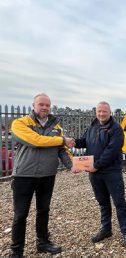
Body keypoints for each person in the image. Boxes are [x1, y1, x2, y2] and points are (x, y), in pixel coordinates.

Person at [10, 93, 74, 258]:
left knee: (43, 210)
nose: (44, 107)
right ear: (33, 105)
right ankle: (16, 251)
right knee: (20, 214)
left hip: (47, 175)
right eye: (41, 104)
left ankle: (42, 242)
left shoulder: (56, 128)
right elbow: (35, 140)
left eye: (47, 105)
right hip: (24, 176)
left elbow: (62, 150)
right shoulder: (20, 123)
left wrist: (73, 165)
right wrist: (62, 140)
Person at [72, 101, 126, 247]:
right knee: (103, 202)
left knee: (119, 203)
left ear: (110, 112)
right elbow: (84, 142)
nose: (101, 114)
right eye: (99, 111)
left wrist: (96, 165)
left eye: (104, 111)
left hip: (111, 172)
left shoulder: (116, 129)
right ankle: (106, 229)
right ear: (96, 112)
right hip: (94, 173)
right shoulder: (93, 126)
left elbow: (112, 151)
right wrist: (73, 142)